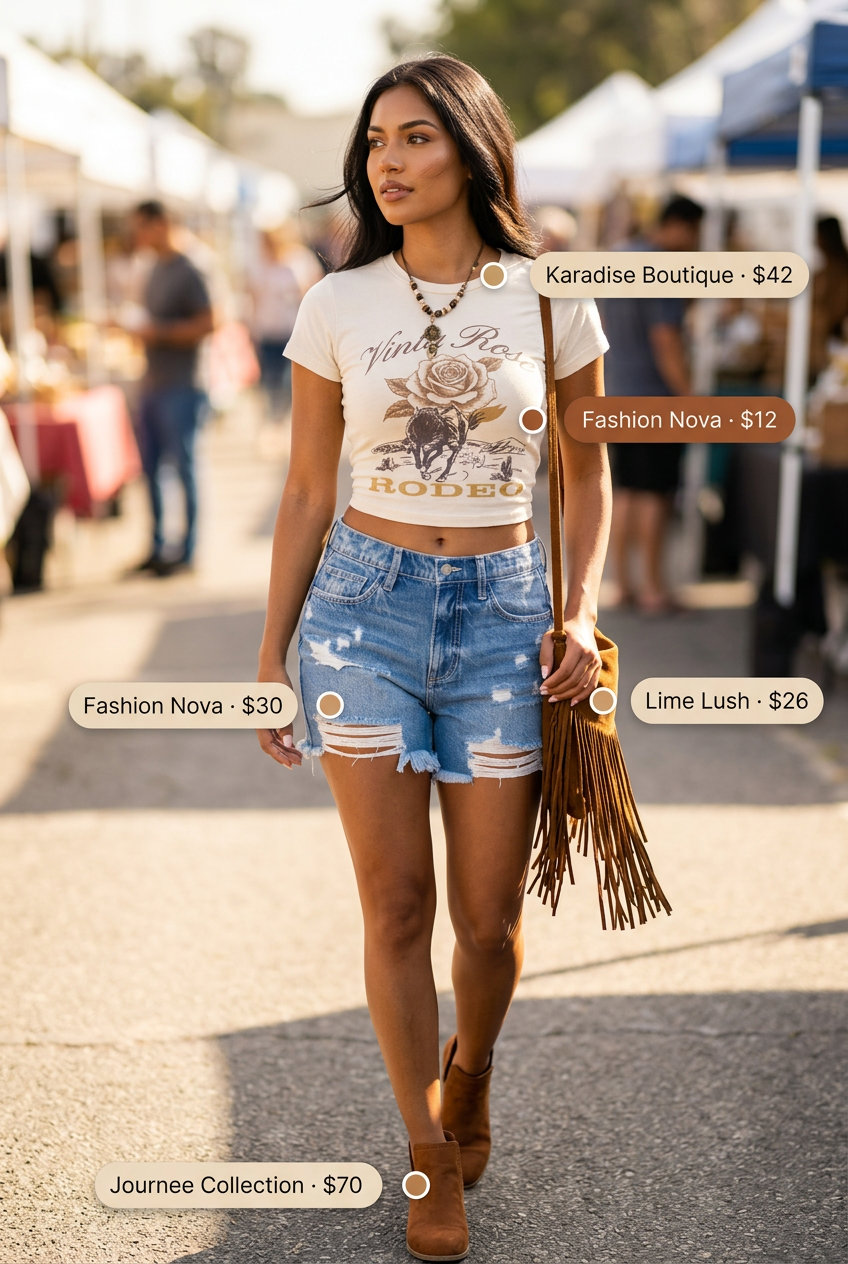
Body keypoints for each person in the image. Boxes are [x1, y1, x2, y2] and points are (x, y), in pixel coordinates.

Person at [256, 54, 610, 1262]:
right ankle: (421, 1151)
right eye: (373, 144)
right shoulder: (334, 304)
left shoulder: (549, 294)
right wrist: (271, 652)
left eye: (412, 138)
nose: (387, 163)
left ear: (467, 146)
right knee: (395, 901)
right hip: (364, 608)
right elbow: (307, 488)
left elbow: (588, 464)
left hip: (509, 614)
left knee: (490, 920)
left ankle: (471, 1072)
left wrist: (579, 608)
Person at [599, 194, 704, 614]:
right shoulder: (663, 268)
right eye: (695, 233)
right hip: (655, 397)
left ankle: (625, 583)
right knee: (655, 493)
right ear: (680, 225)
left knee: (625, 490)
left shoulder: (619, 257)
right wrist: (691, 398)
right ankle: (654, 588)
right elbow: (666, 340)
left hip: (618, 389)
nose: (695, 243)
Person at [129, 201, 214, 575]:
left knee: (184, 467)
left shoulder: (191, 267)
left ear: (161, 224)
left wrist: (157, 333)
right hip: (154, 381)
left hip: (182, 383)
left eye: (142, 227)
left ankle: (187, 549)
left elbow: (209, 323)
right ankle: (160, 544)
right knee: (151, 469)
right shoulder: (155, 267)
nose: (137, 236)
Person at [248, 224, 323, 421]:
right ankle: (274, 420)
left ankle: (285, 419)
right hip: (268, 329)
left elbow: (315, 290)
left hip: (294, 328)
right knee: (270, 379)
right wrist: (253, 329)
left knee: (289, 380)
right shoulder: (259, 265)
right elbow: (254, 298)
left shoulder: (299, 260)